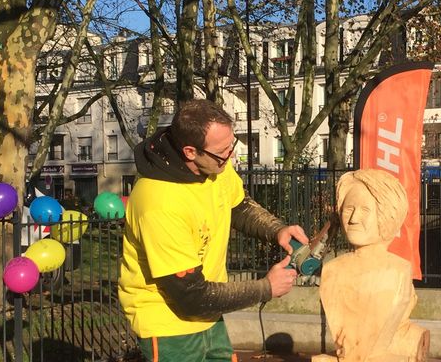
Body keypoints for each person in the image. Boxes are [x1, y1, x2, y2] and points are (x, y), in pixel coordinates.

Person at [118, 99, 308, 362]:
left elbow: (238, 205)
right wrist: (266, 288)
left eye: (231, 146)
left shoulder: (215, 165)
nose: (230, 156)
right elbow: (191, 296)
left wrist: (277, 230)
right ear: (190, 152)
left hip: (209, 314)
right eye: (223, 152)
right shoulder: (159, 202)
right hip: (168, 324)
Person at [314, 169, 428, 362]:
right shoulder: (331, 270)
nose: (354, 219)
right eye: (349, 209)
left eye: (365, 210)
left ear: (388, 214)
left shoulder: (397, 271)